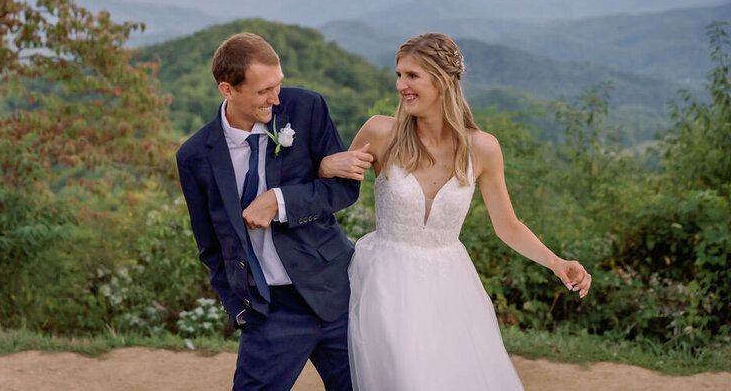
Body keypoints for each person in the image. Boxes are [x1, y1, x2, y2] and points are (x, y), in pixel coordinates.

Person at [319, 32, 592, 390]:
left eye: (412, 76)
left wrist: (556, 262)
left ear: (444, 80)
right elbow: (333, 193)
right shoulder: (380, 131)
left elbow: (507, 225)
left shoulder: (483, 149)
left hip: (450, 286)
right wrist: (325, 165)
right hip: (385, 282)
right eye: (399, 75)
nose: (401, 85)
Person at [176, 32, 359, 391]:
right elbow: (210, 246)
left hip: (335, 291)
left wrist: (280, 200)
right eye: (264, 91)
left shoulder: (307, 109)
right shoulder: (194, 156)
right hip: (269, 309)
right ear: (228, 90)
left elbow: (344, 188)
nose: (276, 98)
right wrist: (240, 308)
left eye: (278, 85)